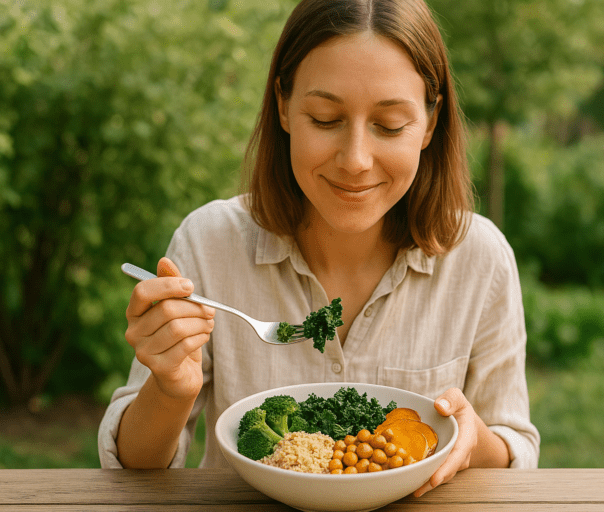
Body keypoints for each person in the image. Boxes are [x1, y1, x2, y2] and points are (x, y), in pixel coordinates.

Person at [98, 0, 540, 496]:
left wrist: (472, 437)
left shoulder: (479, 257)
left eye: (390, 125)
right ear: (284, 105)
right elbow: (133, 471)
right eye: (325, 119)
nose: (355, 160)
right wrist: (169, 388)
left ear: (430, 124)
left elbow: (512, 445)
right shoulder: (210, 243)